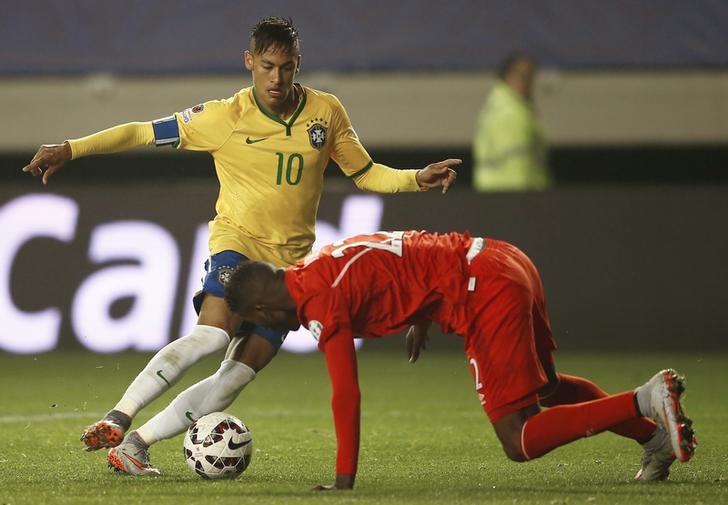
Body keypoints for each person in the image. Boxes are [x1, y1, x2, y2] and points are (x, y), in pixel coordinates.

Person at [21, 17, 459, 475]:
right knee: (211, 333)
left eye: (286, 67)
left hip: (290, 269)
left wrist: (414, 178)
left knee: (235, 377)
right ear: (250, 62)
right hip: (238, 244)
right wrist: (71, 148)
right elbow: (141, 131)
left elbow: (366, 173)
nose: (276, 78)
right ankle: (120, 414)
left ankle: (135, 444)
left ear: (297, 65)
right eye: (267, 66)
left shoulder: (325, 112)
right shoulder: (223, 117)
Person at [223, 230, 697, 490]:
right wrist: (421, 311)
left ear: (263, 311)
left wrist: (343, 480)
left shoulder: (321, 303)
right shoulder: (317, 264)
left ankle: (643, 398)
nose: (262, 329)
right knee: (547, 387)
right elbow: (394, 251)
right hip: (504, 258)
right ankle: (653, 440)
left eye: (253, 321)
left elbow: (346, 393)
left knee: (519, 438)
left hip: (483, 290)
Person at [472, 51, 551, 191]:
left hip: (496, 192)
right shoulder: (511, 113)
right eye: (522, 76)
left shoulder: (499, 107)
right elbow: (517, 165)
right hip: (512, 194)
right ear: (507, 76)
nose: (527, 83)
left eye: (530, 77)